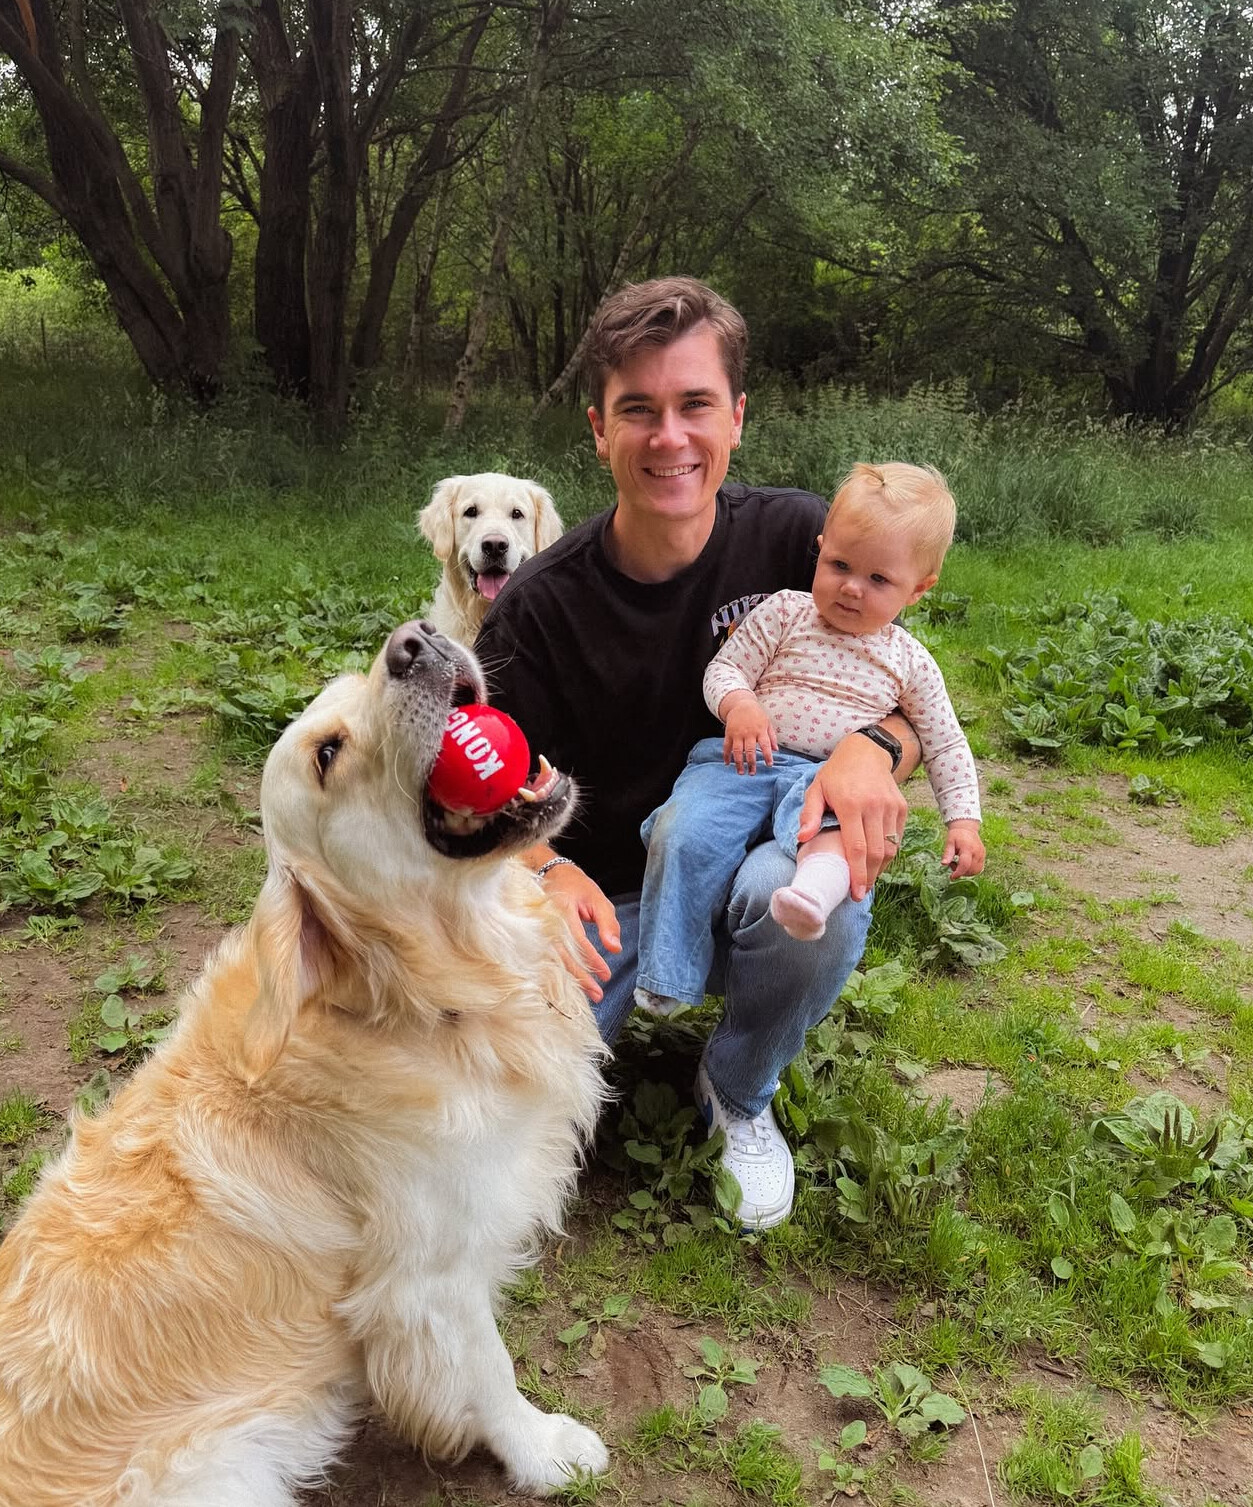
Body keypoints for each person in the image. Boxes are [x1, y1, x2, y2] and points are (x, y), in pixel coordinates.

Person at [474, 277, 921, 1231]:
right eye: (638, 409)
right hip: (604, 902)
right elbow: (478, 794)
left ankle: (739, 1088)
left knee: (817, 896)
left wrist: (874, 748)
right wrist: (545, 867)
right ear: (598, 429)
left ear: (737, 418)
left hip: (764, 863)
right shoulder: (537, 610)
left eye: (694, 405)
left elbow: (910, 691)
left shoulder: (803, 541)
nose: (668, 437)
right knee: (498, 1120)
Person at [633, 462, 985, 1022]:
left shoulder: (910, 660)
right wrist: (740, 704)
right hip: (741, 764)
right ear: (820, 550)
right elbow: (725, 669)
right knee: (684, 832)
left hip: (827, 783)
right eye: (840, 565)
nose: (852, 587)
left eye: (879, 580)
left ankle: (811, 898)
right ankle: (667, 973)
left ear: (919, 589)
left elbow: (944, 743)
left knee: (838, 838)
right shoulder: (784, 612)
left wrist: (963, 821)